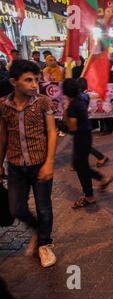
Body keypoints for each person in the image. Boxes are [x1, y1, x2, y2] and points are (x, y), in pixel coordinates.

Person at [0, 60, 57, 267]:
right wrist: (0, 163)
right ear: (14, 82)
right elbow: (3, 136)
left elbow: (52, 132)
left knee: (43, 207)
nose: (34, 84)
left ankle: (45, 244)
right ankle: (40, 230)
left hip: (40, 162)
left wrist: (49, 163)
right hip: (15, 166)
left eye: (36, 80)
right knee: (16, 208)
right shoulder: (3, 106)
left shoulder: (43, 102)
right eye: (28, 80)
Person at [62, 79, 112, 209]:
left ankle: (92, 192)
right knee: (81, 167)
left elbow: (72, 127)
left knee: (81, 168)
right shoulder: (81, 99)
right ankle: (96, 185)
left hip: (80, 137)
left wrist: (65, 112)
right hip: (86, 135)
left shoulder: (73, 106)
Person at [77, 77, 109, 168]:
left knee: (83, 144)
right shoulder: (83, 95)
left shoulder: (81, 96)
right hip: (83, 123)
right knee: (79, 144)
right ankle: (77, 163)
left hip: (82, 123)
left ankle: (100, 157)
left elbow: (83, 109)